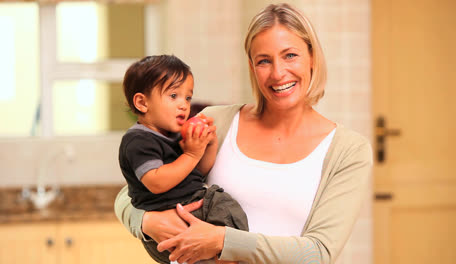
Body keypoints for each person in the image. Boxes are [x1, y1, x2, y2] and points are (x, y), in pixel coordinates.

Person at [115, 3, 372, 264]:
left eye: (290, 55)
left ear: (312, 58)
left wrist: (223, 241)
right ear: (252, 66)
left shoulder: (348, 151)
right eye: (264, 61)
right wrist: (147, 221)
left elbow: (317, 253)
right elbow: (129, 194)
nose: (278, 73)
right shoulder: (215, 122)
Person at [118, 55, 248, 264]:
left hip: (191, 211)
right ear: (142, 102)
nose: (184, 105)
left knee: (226, 210)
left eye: (187, 98)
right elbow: (157, 182)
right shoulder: (138, 140)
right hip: (170, 223)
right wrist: (191, 154)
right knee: (223, 209)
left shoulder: (173, 134)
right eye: (173, 96)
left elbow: (199, 172)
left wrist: (209, 143)